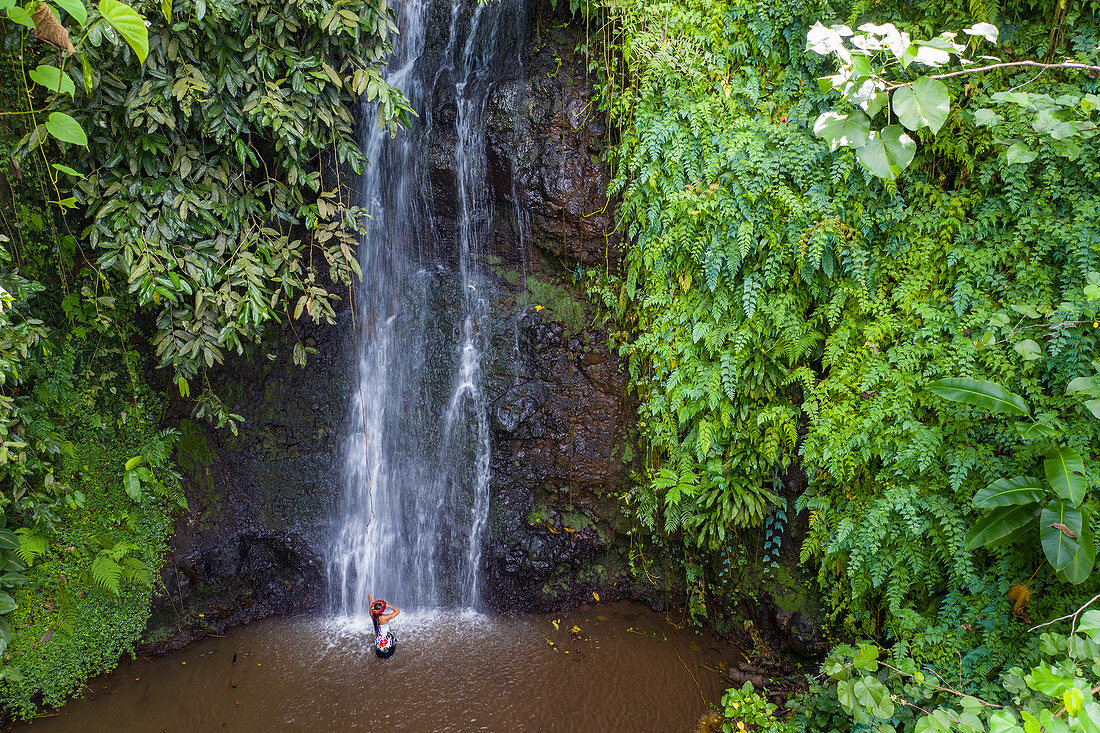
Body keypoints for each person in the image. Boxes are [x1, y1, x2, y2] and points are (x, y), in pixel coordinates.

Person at [368, 594, 400, 659]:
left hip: (379, 643)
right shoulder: (385, 617)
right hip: (386, 641)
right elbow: (397, 611)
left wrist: (370, 598)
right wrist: (388, 605)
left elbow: (371, 605)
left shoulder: (372, 615)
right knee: (393, 641)